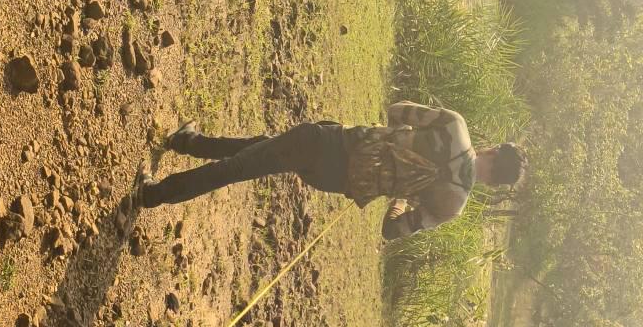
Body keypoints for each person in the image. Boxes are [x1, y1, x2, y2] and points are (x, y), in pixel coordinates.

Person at [135, 102, 527, 239]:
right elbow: (393, 230)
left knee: (241, 167)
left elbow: (397, 111)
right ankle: (189, 142)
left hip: (333, 144)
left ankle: (152, 194)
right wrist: (400, 196)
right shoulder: (454, 205)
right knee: (266, 150)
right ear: (494, 185)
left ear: (493, 150)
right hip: (334, 182)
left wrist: (397, 141)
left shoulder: (456, 128)